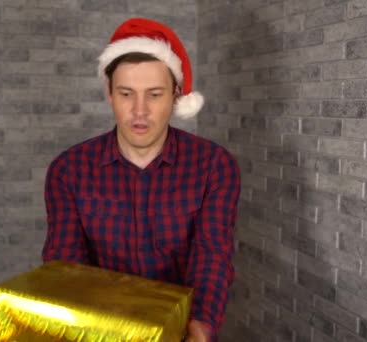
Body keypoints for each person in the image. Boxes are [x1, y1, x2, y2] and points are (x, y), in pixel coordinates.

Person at [42, 18, 241, 342]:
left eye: (154, 94)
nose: (139, 111)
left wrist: (200, 328)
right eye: (126, 94)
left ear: (176, 95)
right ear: (108, 93)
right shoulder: (68, 170)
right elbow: (66, 266)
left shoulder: (214, 166)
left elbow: (212, 256)